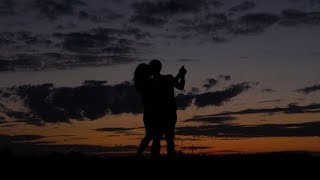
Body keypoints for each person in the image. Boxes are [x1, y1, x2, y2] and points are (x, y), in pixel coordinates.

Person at [148, 59, 186, 158]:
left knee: (157, 140)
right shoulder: (167, 79)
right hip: (168, 114)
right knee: (169, 140)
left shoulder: (151, 83)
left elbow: (177, 85)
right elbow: (180, 86)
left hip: (160, 114)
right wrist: (181, 75)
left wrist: (180, 75)